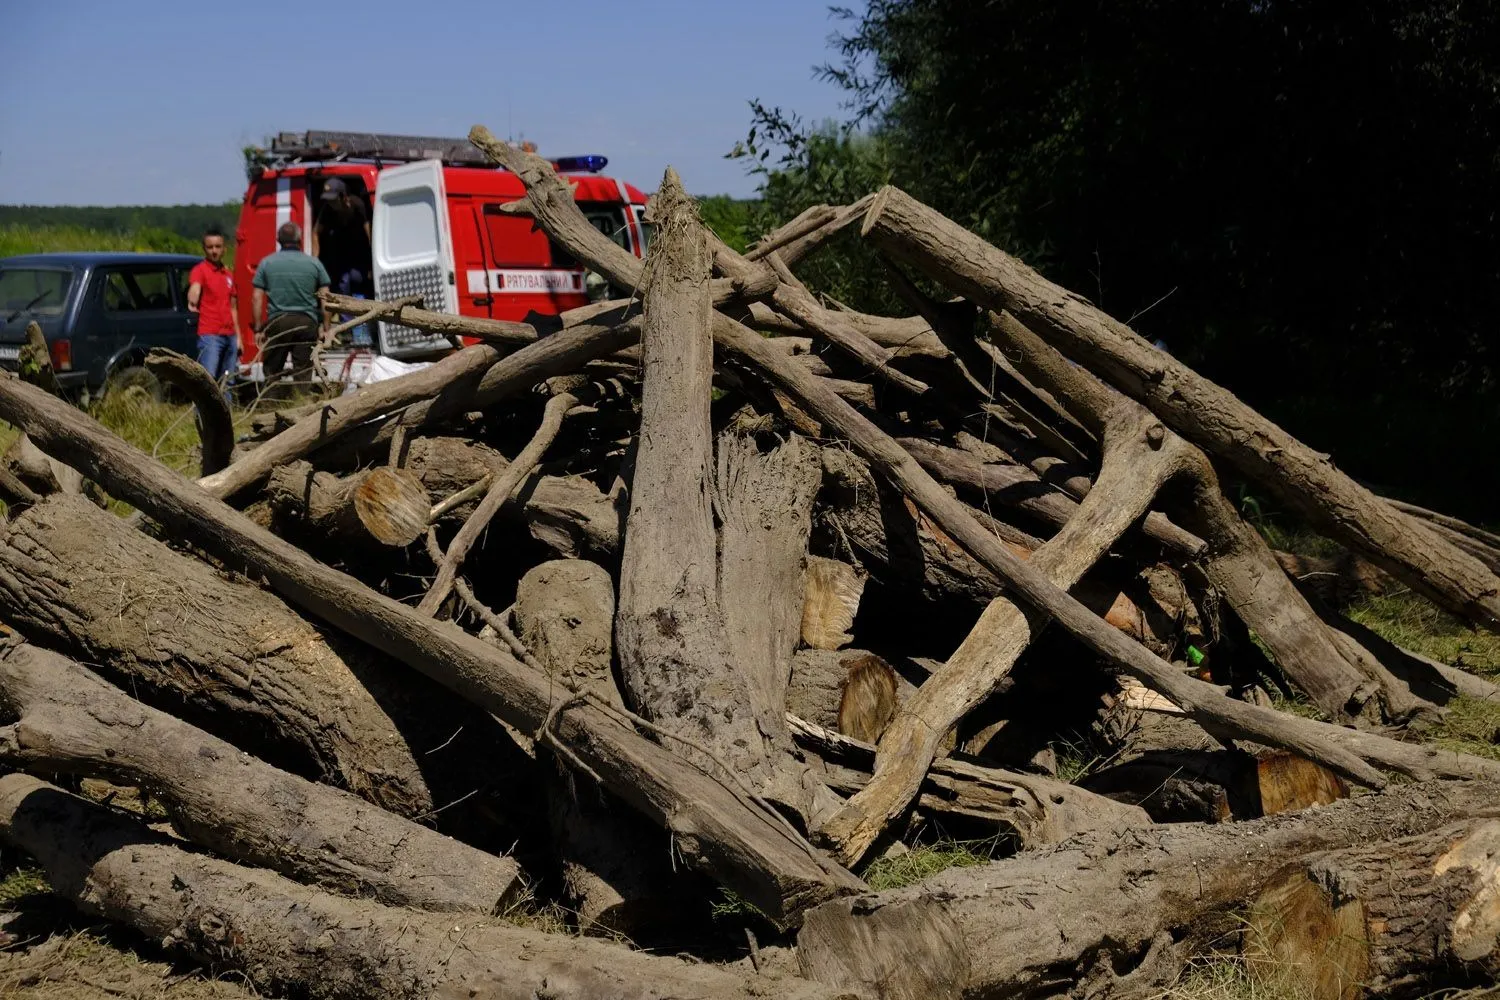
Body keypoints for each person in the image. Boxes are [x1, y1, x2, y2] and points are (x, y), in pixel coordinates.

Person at [251, 222, 329, 394]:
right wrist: (326, 327)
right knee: (303, 372)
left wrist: (258, 328)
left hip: (278, 321)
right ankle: (302, 408)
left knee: (272, 372)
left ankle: (270, 407)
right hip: (306, 322)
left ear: (278, 239)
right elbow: (326, 299)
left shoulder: (266, 263)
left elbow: (256, 297)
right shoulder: (314, 264)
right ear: (300, 239)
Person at [312, 178, 373, 346]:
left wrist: (372, 259)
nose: (330, 203)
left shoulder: (357, 205)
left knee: (360, 286)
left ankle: (362, 331)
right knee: (343, 287)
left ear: (343, 196)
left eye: (333, 199)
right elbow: (316, 232)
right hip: (340, 255)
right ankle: (347, 330)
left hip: (359, 255)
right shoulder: (327, 210)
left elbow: (369, 232)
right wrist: (315, 261)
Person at [186, 225, 239, 397]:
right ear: (204, 249)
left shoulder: (228, 275)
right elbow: (195, 288)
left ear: (224, 249)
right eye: (210, 247)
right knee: (208, 380)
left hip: (230, 334)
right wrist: (192, 298)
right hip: (210, 335)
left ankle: (225, 419)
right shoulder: (200, 270)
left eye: (217, 247)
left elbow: (233, 308)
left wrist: (239, 338)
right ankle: (203, 419)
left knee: (227, 381)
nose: (214, 251)